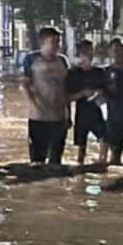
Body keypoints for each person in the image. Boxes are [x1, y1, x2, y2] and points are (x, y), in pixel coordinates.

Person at [21, 26, 70, 167]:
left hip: (59, 118)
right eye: (53, 41)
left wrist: (69, 115)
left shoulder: (63, 61)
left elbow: (65, 88)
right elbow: (25, 86)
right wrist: (36, 104)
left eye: (58, 42)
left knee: (56, 162)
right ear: (43, 42)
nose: (57, 45)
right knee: (37, 163)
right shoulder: (31, 59)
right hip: (38, 118)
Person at [66, 40, 110, 165]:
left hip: (97, 112)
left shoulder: (100, 73)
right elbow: (66, 98)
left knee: (105, 138)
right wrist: (83, 93)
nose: (89, 54)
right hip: (81, 114)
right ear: (79, 54)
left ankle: (102, 163)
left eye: (91, 51)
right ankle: (80, 166)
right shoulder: (73, 74)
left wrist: (100, 93)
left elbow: (108, 94)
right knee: (81, 146)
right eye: (85, 52)